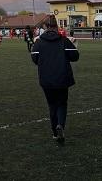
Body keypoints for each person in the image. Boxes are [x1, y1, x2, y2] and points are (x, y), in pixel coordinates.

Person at [30, 15, 79, 144]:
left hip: (46, 79)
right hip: (62, 78)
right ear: (57, 26)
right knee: (62, 103)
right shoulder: (64, 41)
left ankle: (54, 132)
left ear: (45, 27)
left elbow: (34, 59)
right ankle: (60, 126)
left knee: (52, 105)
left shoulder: (39, 42)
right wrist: (74, 44)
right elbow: (75, 57)